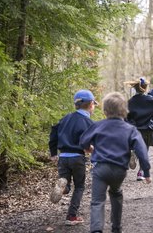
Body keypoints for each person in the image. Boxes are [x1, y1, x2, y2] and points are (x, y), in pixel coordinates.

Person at [79, 92, 151, 233]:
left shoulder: (98, 126)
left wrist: (89, 148)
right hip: (119, 170)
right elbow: (142, 151)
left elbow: (83, 141)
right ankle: (116, 228)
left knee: (97, 201)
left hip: (101, 169)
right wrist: (146, 172)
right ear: (124, 111)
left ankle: (96, 230)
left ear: (105, 111)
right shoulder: (130, 129)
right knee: (116, 193)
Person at [48, 89, 97, 225]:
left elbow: (53, 132)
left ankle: (64, 188)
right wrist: (92, 150)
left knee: (66, 182)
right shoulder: (88, 123)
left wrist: (53, 153)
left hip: (63, 157)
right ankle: (71, 216)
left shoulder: (65, 118)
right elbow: (91, 143)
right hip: (77, 157)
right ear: (91, 104)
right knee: (80, 186)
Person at [125, 77, 153, 181]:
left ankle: (133, 152)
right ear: (145, 88)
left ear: (135, 88)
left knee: (135, 145)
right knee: (144, 150)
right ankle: (141, 172)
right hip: (146, 129)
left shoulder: (130, 101)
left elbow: (126, 116)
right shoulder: (149, 100)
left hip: (134, 129)